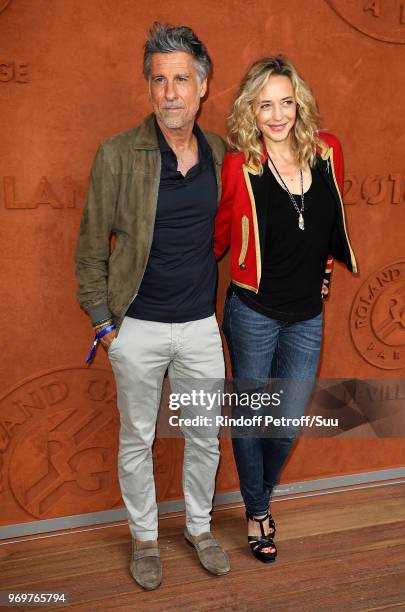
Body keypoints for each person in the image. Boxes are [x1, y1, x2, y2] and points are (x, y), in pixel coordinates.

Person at [75, 22, 230, 590]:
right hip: (135, 328)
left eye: (181, 79)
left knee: (204, 436)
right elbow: (91, 247)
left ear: (203, 86)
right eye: (159, 80)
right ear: (149, 87)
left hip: (198, 329)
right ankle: (144, 538)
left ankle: (198, 527)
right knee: (137, 439)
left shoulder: (220, 153)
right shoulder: (117, 154)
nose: (170, 92)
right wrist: (103, 324)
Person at [214, 56, 358, 563]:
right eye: (265, 105)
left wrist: (325, 271)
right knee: (251, 419)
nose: (277, 115)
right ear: (250, 111)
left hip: (305, 316)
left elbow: (327, 219)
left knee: (288, 420)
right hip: (252, 313)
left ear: (300, 103)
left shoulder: (327, 152)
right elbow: (219, 235)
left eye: (286, 102)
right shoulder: (240, 166)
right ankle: (257, 511)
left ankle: (259, 496)